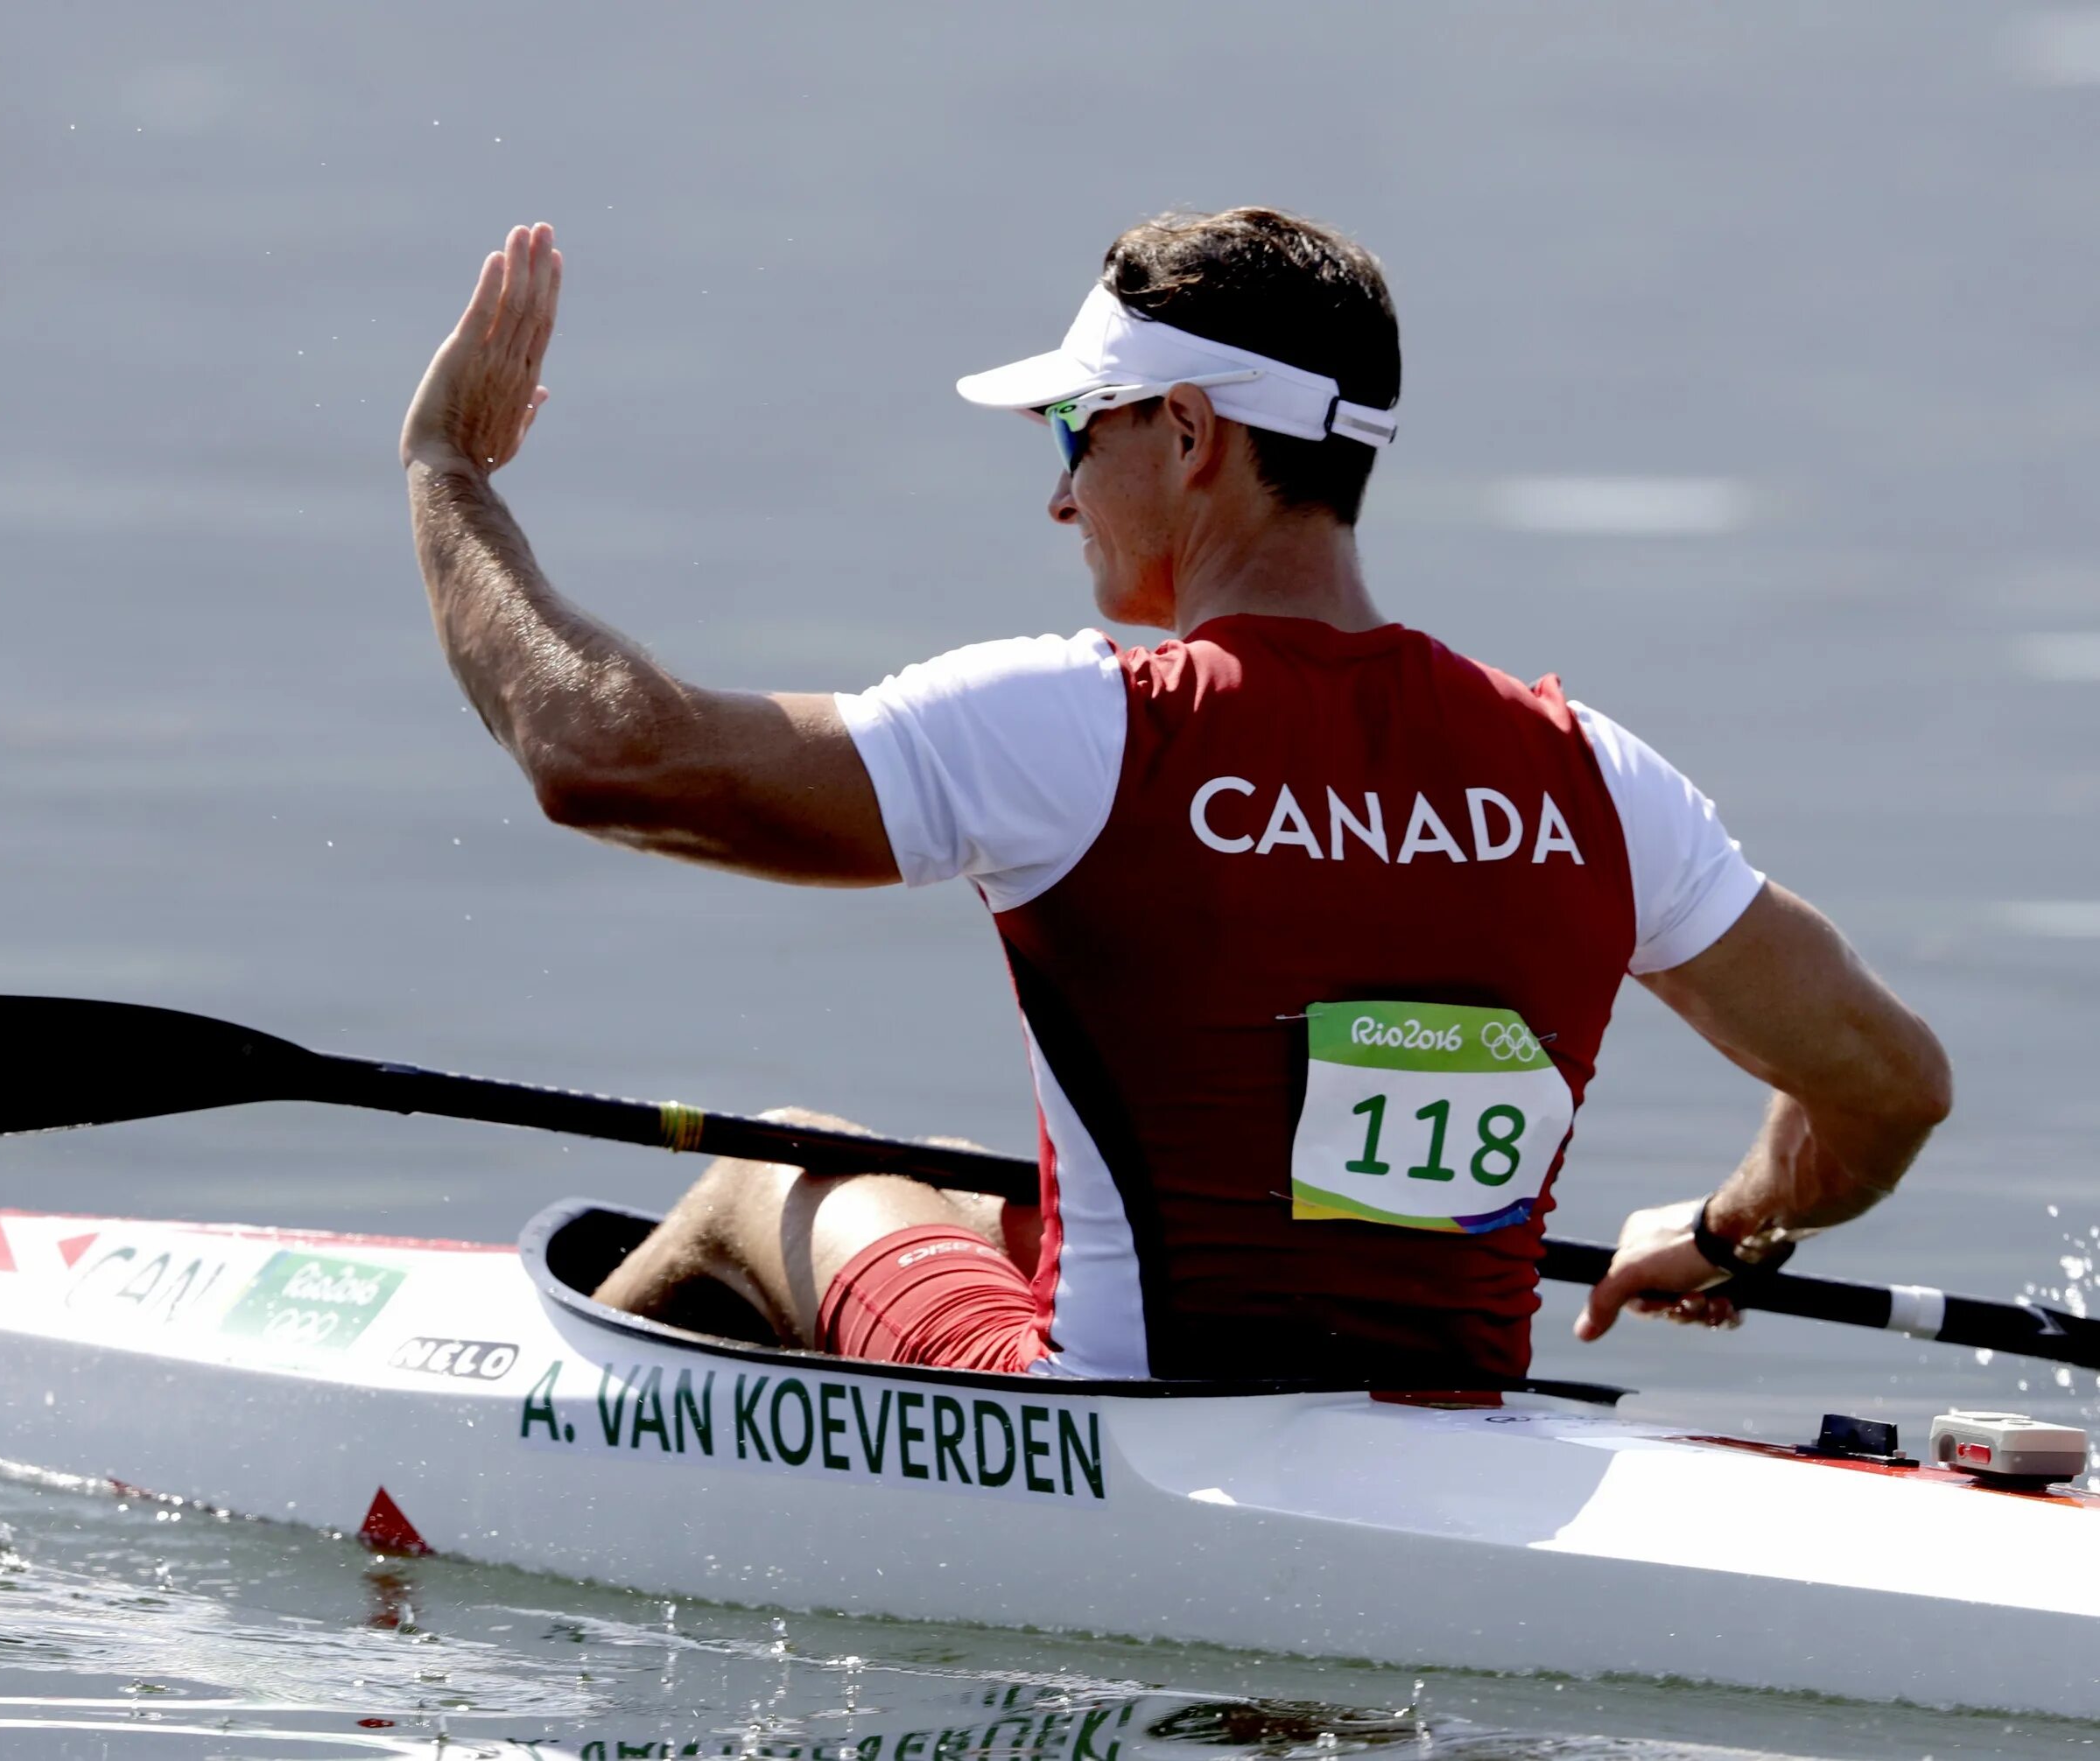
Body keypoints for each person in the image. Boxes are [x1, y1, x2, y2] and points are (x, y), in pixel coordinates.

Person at [399, 209, 1952, 1383]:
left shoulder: (1082, 728)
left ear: (1192, 433)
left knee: (776, 1157)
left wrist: (448, 481)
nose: (1061, 491)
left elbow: (611, 757)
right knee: (1012, 1210)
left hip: (1112, 1440)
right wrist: (1734, 1227)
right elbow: (1890, 1090)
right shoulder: (1600, 781)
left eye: (1080, 431)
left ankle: (528, 1454)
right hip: (1446, 1436)